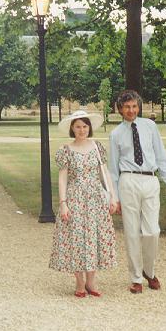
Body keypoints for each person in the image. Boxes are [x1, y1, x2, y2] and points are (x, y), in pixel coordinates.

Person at [109, 90, 166, 294]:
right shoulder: (115, 134)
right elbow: (113, 169)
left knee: (152, 231)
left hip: (150, 179)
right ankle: (136, 278)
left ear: (138, 107)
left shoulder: (150, 126)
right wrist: (114, 198)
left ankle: (149, 271)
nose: (131, 110)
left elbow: (161, 155)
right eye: (127, 107)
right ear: (120, 109)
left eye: (134, 106)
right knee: (131, 231)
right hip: (128, 180)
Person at [49, 110, 117, 298]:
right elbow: (62, 178)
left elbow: (105, 173)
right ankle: (79, 282)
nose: (82, 130)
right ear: (72, 128)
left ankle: (91, 281)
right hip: (75, 198)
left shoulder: (97, 147)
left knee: (94, 236)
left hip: (95, 198)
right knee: (76, 238)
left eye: (85, 126)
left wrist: (112, 196)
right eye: (78, 126)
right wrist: (63, 203)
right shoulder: (66, 150)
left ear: (90, 127)